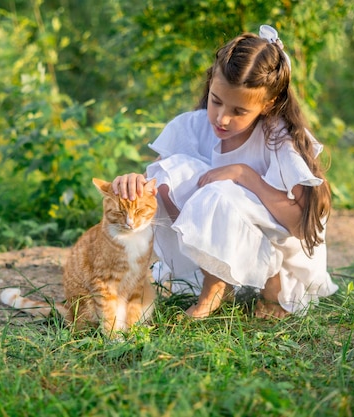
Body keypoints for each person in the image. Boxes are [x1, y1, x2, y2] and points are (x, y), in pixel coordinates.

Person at [112, 25, 338, 319]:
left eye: (239, 111)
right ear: (211, 83)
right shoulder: (191, 127)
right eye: (216, 101)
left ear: (267, 105)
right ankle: (216, 276)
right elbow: (156, 183)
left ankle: (260, 285)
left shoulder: (280, 139)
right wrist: (133, 183)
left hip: (279, 252)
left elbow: (299, 224)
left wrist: (245, 175)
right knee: (169, 172)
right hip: (226, 246)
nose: (222, 118)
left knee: (218, 191)